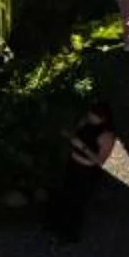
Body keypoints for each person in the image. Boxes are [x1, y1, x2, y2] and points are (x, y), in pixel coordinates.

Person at [53, 103, 118, 243]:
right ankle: (58, 225)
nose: (90, 118)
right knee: (65, 194)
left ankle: (70, 234)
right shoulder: (85, 121)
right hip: (73, 163)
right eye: (90, 114)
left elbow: (100, 160)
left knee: (78, 202)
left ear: (103, 118)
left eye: (93, 116)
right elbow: (76, 134)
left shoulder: (106, 136)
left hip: (87, 170)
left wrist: (82, 147)